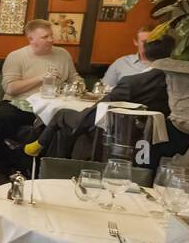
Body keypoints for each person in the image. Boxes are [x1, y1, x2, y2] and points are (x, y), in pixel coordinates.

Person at [25, 37, 172, 158]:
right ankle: (44, 150)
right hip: (157, 135)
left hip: (115, 131)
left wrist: (84, 117)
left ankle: (40, 151)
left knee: (62, 115)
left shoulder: (132, 83)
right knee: (67, 123)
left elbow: (102, 107)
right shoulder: (175, 83)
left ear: (144, 53)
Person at [0, 19, 81, 171]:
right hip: (21, 104)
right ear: (31, 39)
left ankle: (53, 167)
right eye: (45, 37)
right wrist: (41, 78)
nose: (51, 40)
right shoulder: (16, 56)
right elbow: (10, 88)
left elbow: (75, 78)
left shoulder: (63, 54)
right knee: (4, 116)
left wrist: (78, 86)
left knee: (72, 119)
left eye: (51, 36)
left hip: (54, 105)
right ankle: (8, 165)